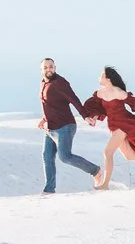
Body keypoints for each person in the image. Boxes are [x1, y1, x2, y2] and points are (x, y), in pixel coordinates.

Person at [34, 58, 101, 194]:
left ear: (55, 68)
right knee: (47, 157)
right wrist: (44, 119)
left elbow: (74, 99)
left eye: (51, 66)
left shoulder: (60, 83)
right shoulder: (43, 84)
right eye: (45, 67)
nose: (48, 69)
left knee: (65, 157)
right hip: (50, 128)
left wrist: (85, 116)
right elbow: (48, 104)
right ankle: (49, 190)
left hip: (64, 126)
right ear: (41, 70)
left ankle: (95, 171)